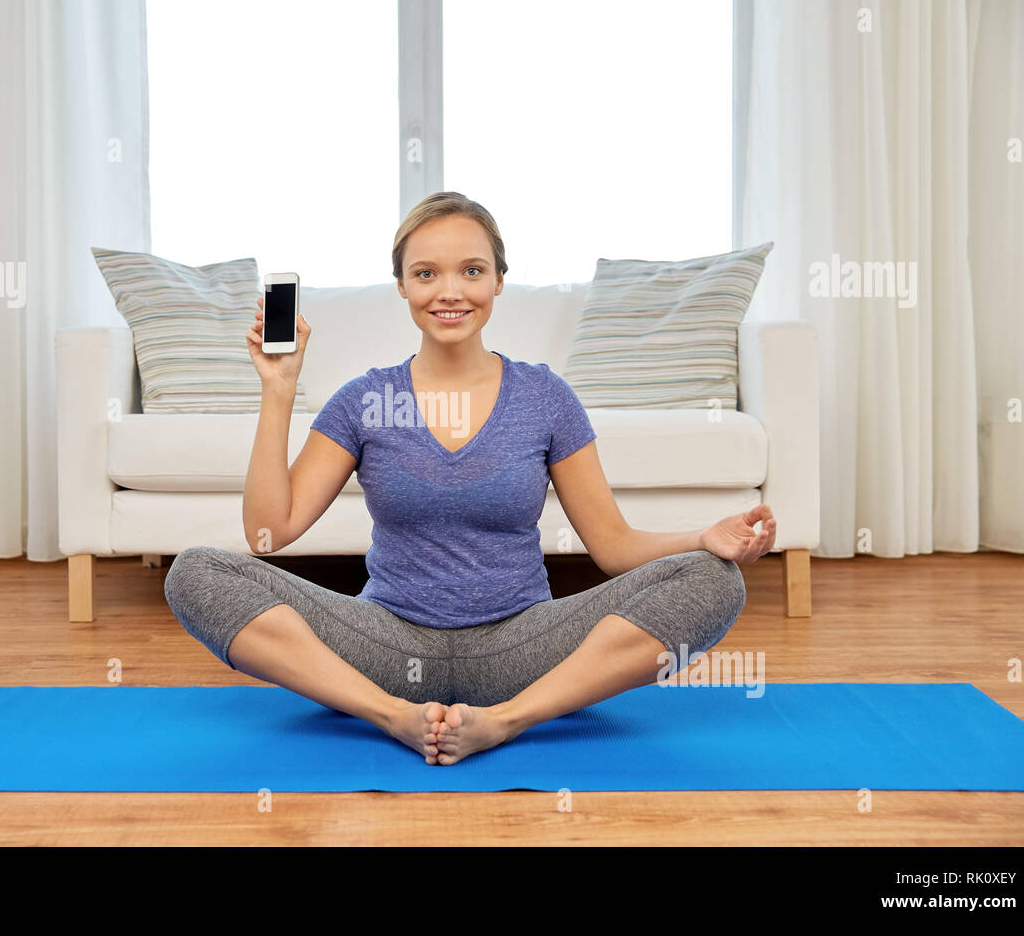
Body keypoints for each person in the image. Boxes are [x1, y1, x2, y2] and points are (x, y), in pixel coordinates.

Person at [164, 191, 776, 766]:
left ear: (499, 281)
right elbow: (269, 531)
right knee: (194, 570)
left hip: (523, 647)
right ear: (401, 285)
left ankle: (508, 719)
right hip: (384, 646)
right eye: (427, 273)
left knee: (713, 581)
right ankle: (392, 716)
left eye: (472, 271)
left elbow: (615, 549)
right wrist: (278, 390)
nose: (449, 291)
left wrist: (704, 538)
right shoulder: (365, 400)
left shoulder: (544, 397)